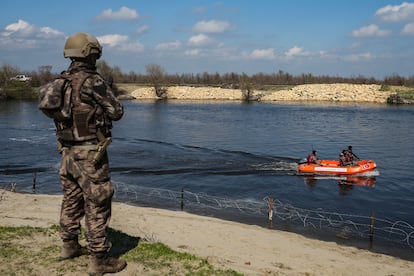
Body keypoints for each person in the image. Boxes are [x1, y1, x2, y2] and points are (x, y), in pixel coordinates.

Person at [41, 32, 126, 275]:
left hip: (66, 153)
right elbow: (117, 111)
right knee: (98, 201)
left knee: (71, 199)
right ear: (92, 53)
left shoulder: (61, 81)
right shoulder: (92, 81)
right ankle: (99, 259)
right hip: (91, 154)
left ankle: (69, 245)